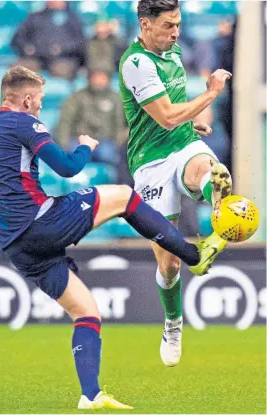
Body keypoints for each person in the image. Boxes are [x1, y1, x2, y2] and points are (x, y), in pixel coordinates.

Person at [0, 66, 226, 409]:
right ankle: (194, 255)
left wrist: (9, 216)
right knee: (125, 197)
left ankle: (91, 395)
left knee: (86, 312)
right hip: (39, 222)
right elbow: (69, 168)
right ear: (26, 99)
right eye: (39, 101)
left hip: (13, 243)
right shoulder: (23, 123)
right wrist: (85, 146)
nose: (41, 107)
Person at [119, 0, 233, 368]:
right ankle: (173, 323)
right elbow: (166, 116)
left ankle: (213, 240)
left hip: (183, 147)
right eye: (168, 25)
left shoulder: (173, 51)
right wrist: (211, 93)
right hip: (149, 164)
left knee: (213, 174)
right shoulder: (136, 64)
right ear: (145, 24)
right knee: (168, 266)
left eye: (179, 24)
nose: (176, 32)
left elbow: (174, 115)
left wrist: (190, 125)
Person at [56, 69, 126, 166]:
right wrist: (64, 145)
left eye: (102, 77)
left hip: (106, 141)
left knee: (108, 155)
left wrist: (118, 144)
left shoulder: (116, 98)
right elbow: (65, 122)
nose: (99, 80)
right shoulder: (77, 97)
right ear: (89, 78)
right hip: (80, 139)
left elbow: (121, 123)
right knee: (74, 155)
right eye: (95, 77)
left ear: (108, 79)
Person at [11, 1, 85, 80]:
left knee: (60, 71)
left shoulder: (73, 19)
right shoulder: (35, 17)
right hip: (36, 58)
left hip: (63, 59)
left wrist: (62, 49)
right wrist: (26, 47)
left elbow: (80, 43)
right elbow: (17, 38)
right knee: (17, 71)